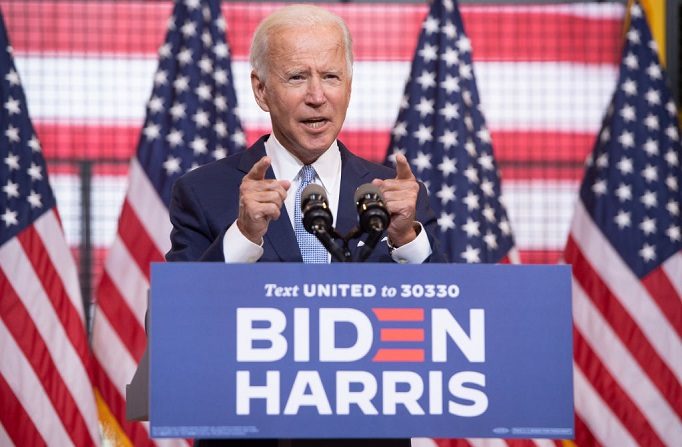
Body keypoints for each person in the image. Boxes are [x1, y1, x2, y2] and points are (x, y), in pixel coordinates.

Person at [165, 4, 446, 446]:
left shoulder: (397, 198)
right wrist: (242, 237)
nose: (318, 95)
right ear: (261, 90)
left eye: (331, 77)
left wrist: (408, 240)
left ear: (349, 86)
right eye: (297, 77)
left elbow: (454, 329)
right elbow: (169, 328)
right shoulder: (205, 192)